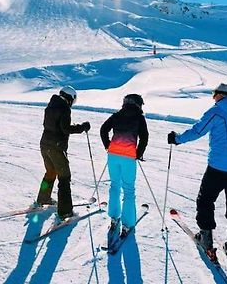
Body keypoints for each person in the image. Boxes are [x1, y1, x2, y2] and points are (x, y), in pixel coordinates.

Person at [168, 83, 227, 274]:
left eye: (214, 94)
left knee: (205, 200)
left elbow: (197, 131)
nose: (213, 98)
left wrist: (177, 139)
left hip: (218, 167)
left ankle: (206, 239)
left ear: (221, 95)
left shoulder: (217, 111)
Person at [36, 86, 91, 220]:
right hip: (56, 147)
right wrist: (82, 127)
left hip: (45, 144)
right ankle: (65, 212)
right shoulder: (64, 108)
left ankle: (43, 198)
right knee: (64, 177)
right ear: (70, 98)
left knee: (50, 172)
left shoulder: (51, 105)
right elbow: (65, 129)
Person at [100, 94, 149, 237]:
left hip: (113, 155)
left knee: (115, 185)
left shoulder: (117, 115)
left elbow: (103, 129)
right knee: (128, 190)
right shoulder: (139, 118)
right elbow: (145, 137)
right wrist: (138, 154)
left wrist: (108, 146)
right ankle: (127, 224)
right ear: (137, 104)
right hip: (128, 157)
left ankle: (114, 217)